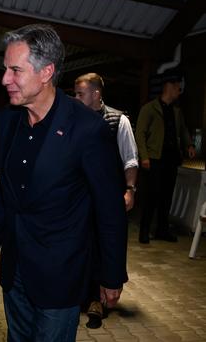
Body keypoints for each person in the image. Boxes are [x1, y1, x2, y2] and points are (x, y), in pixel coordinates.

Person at [0, 24, 128, 341]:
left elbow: (109, 209)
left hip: (61, 274)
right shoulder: (7, 122)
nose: (5, 79)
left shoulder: (86, 129)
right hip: (15, 269)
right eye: (5, 69)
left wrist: (111, 275)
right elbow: (7, 192)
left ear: (46, 72)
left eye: (15, 70)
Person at [74, 72, 138, 328]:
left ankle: (96, 299)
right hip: (79, 197)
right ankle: (83, 293)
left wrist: (130, 189)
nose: (75, 98)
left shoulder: (118, 121)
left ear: (96, 94)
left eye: (80, 94)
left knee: (103, 245)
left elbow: (130, 159)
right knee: (80, 243)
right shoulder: (72, 120)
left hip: (107, 196)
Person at [135, 68, 196, 244]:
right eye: (178, 88)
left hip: (171, 159)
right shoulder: (150, 108)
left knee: (166, 196)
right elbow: (140, 133)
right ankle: (144, 231)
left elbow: (183, 131)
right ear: (169, 87)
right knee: (151, 196)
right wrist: (144, 156)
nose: (179, 91)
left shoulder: (176, 111)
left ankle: (162, 230)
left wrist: (190, 145)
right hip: (154, 159)